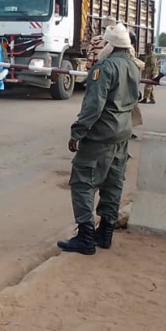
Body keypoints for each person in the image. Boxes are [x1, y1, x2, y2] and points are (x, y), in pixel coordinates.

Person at [57, 23, 140, 255]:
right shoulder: (133, 67)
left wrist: (78, 132)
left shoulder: (105, 67)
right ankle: (105, 234)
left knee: (83, 182)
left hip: (101, 135)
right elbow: (136, 98)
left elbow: (94, 105)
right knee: (113, 184)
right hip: (122, 134)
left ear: (111, 44)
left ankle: (85, 237)